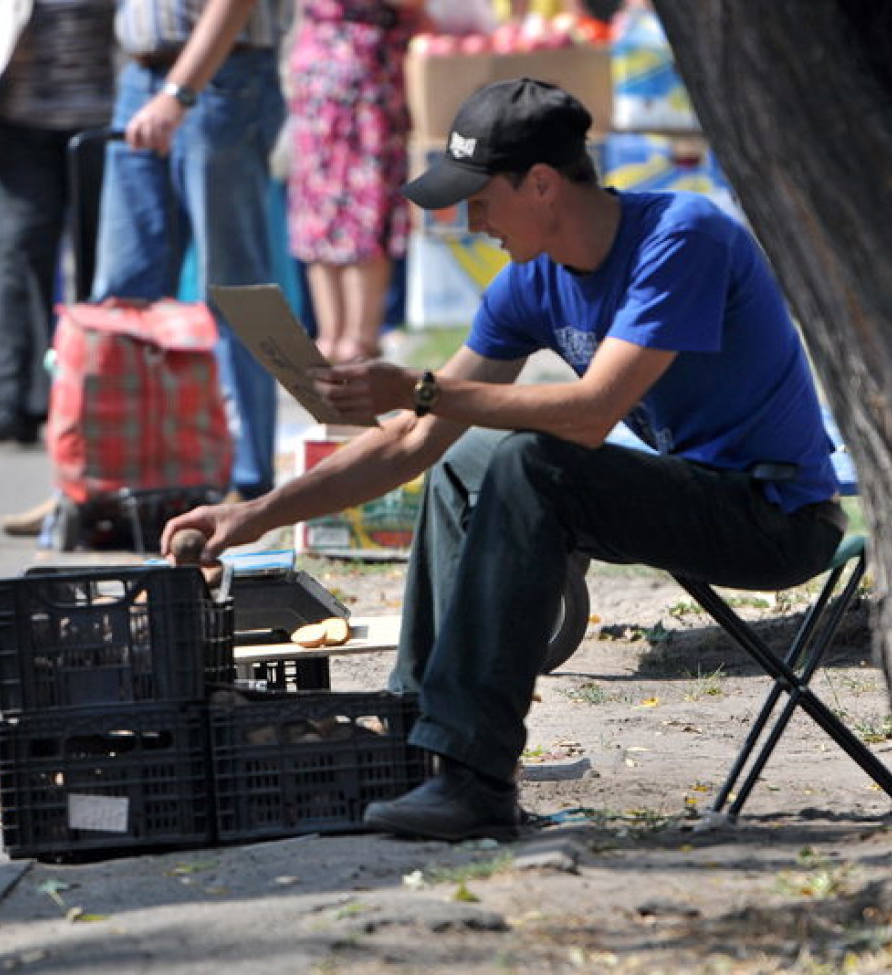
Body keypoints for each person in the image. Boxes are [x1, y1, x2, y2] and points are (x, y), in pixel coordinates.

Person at [160, 78, 846, 841]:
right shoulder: (528, 283)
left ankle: (478, 781)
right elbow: (415, 440)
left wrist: (421, 387)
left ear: (543, 184)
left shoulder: (684, 236)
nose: (470, 220)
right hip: (688, 497)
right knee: (466, 459)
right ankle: (422, 740)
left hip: (775, 516)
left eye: (479, 199)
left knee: (529, 460)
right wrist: (252, 514)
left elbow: (591, 412)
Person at [93, 0, 289, 500]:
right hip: (141, 75)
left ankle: (248, 486)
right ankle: (106, 480)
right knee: (122, 297)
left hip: (222, 76)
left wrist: (179, 91)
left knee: (236, 292)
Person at [0, 0, 116, 445]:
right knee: (18, 252)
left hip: (106, 124)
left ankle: (97, 398)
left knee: (100, 263)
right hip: (20, 125)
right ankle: (13, 400)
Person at [285, 0, 421, 365]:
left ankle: (356, 340)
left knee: (358, 203)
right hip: (339, 71)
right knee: (323, 205)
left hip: (360, 72)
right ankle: (337, 339)